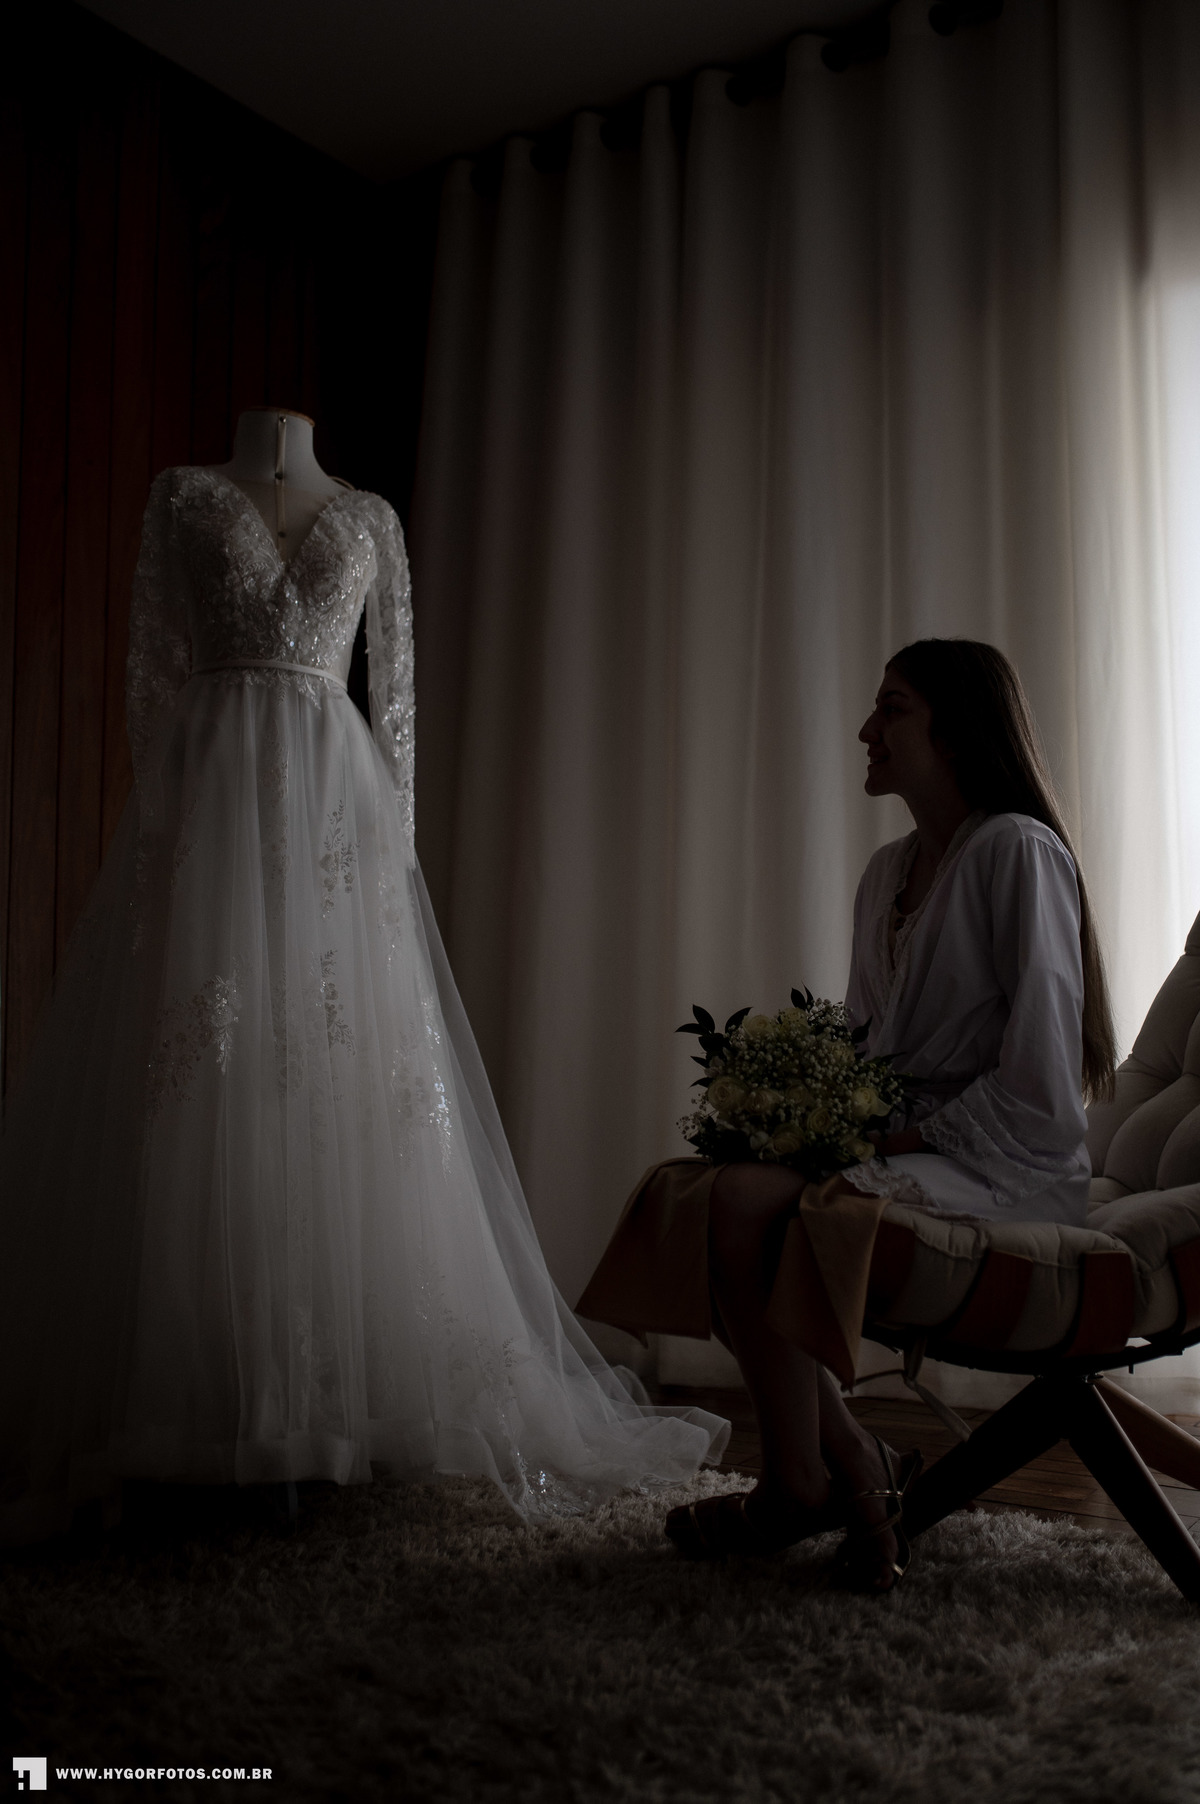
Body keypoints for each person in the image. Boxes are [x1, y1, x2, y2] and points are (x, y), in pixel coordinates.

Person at [0, 412, 727, 1545]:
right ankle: (212, 1397)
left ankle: (330, 1399)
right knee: (211, 1074)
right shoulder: (182, 496)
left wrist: (394, 854)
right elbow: (151, 670)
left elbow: (397, 694)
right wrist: (160, 832)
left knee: (337, 1077)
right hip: (211, 785)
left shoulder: (370, 516)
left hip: (335, 795)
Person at [581, 638, 1115, 1591]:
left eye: (892, 708)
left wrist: (884, 1137)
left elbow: (1039, 1079)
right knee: (702, 1193)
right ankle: (836, 1465)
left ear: (955, 732)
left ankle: (811, 1479)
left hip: (1007, 1162)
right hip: (909, 1144)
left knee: (756, 1207)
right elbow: (868, 1055)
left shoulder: (1017, 851)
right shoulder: (885, 874)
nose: (867, 729)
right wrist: (800, 1116)